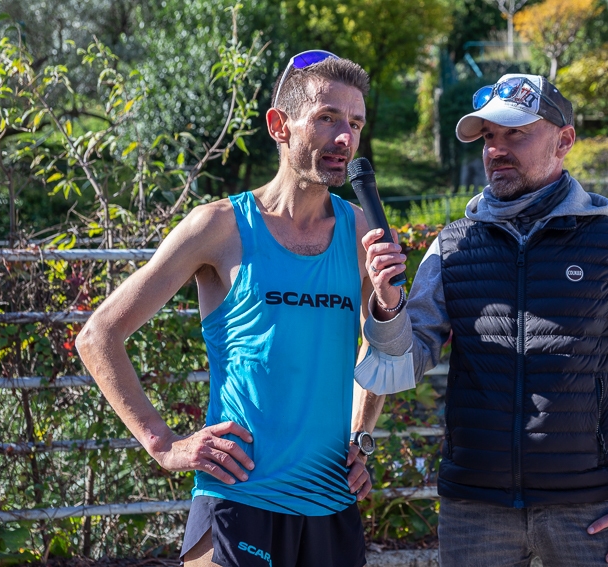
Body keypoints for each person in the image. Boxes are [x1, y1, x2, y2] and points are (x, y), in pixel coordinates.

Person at [362, 74, 608, 566]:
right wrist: (387, 307)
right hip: (474, 510)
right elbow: (395, 371)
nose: (496, 150)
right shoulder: (452, 247)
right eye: (489, 136)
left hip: (592, 509)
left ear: (564, 140)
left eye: (516, 133)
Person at [76, 51, 390, 567]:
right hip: (238, 497)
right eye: (327, 118)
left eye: (355, 123)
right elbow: (98, 335)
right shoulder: (219, 227)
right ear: (279, 125)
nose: (344, 138)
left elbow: (380, 347)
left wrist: (362, 435)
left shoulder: (361, 230)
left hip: (333, 502)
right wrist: (164, 445)